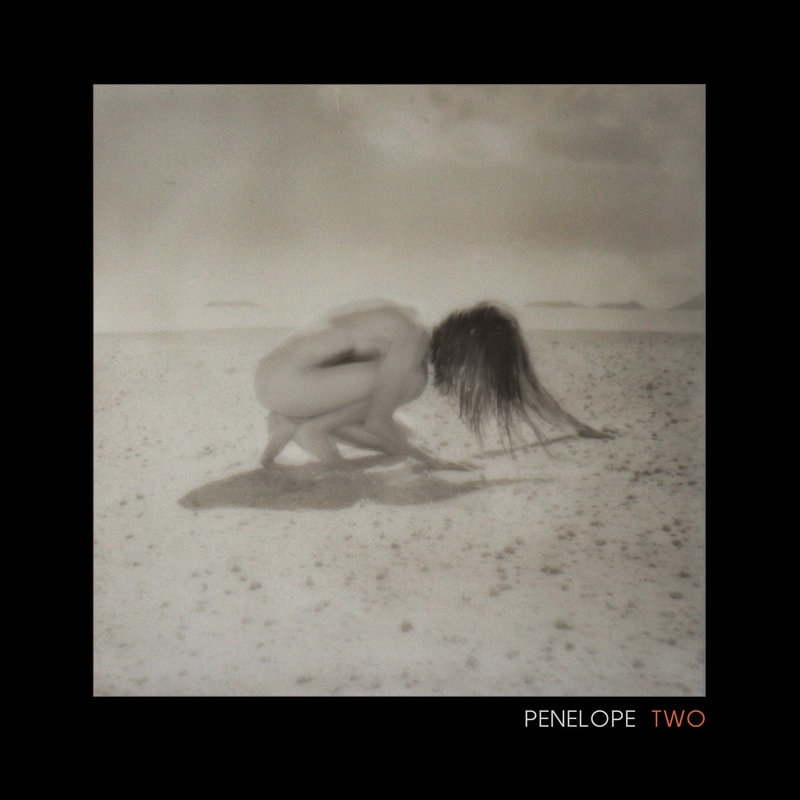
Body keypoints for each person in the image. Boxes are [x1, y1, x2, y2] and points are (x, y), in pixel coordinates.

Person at [254, 300, 612, 470]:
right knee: (411, 384)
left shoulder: (410, 320)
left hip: (277, 379)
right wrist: (434, 462)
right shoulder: (411, 340)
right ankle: (311, 429)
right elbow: (377, 420)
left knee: (404, 437)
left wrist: (574, 425)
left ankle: (292, 422)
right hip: (289, 384)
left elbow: (517, 385)